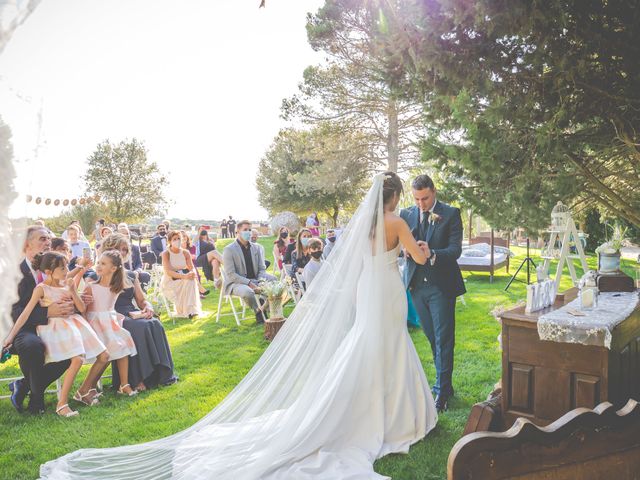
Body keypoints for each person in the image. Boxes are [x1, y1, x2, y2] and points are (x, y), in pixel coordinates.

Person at [40, 172, 437, 479]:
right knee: (390, 341)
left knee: (368, 342)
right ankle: (396, 413)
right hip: (386, 289)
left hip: (369, 288)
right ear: (396, 197)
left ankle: (364, 405)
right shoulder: (396, 221)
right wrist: (423, 249)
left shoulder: (362, 227)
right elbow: (416, 259)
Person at [3, 252, 109, 417]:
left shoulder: (67, 284)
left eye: (67, 266)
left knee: (104, 356)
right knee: (77, 359)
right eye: (62, 268)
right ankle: (62, 404)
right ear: (48, 271)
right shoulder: (41, 289)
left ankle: (82, 392)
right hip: (55, 327)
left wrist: (73, 290)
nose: (67, 270)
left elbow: (81, 308)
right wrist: (9, 337)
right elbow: (25, 314)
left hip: (74, 323)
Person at [400, 174, 466, 413]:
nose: (421, 204)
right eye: (417, 199)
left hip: (441, 287)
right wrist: (405, 252)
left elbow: (455, 250)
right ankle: (445, 385)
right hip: (416, 287)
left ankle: (441, 391)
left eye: (425, 198)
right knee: (431, 337)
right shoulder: (405, 214)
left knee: (444, 339)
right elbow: (398, 246)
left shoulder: (451, 213)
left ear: (434, 191)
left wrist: (432, 253)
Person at [8, 226, 74, 414]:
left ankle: (23, 385)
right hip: (24, 328)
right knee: (32, 346)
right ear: (26, 244)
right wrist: (47, 312)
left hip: (55, 327)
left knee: (72, 351)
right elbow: (11, 310)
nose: (48, 242)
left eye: (49, 239)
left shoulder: (54, 268)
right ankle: (37, 402)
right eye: (42, 238)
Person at [100, 233, 179, 391]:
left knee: (154, 323)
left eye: (124, 250)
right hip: (111, 315)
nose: (121, 253)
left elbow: (141, 300)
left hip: (131, 311)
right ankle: (137, 379)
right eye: (117, 249)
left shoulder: (130, 274)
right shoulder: (100, 274)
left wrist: (148, 307)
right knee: (139, 327)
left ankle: (159, 374)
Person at [84, 250, 138, 397]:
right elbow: (85, 311)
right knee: (109, 348)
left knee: (123, 345)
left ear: (113, 269)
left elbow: (109, 309)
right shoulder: (91, 286)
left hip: (109, 323)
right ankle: (90, 386)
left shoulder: (116, 288)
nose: (99, 266)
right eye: (98, 263)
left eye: (103, 263)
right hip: (94, 325)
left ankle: (124, 384)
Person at [221, 220, 276, 324]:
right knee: (248, 292)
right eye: (245, 230)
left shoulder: (257, 248)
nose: (248, 232)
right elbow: (231, 274)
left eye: (249, 230)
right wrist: (249, 283)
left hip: (256, 279)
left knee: (274, 281)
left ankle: (265, 307)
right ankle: (259, 311)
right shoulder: (229, 249)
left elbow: (261, 268)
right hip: (237, 283)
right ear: (237, 231)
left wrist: (261, 280)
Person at [160, 231, 202, 319]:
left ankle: (191, 310)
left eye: (179, 238)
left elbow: (191, 268)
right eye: (174, 239)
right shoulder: (166, 254)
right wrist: (184, 276)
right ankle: (189, 310)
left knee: (190, 280)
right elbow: (168, 271)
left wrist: (191, 273)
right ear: (170, 242)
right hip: (170, 281)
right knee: (189, 281)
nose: (177, 241)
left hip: (184, 278)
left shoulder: (185, 252)